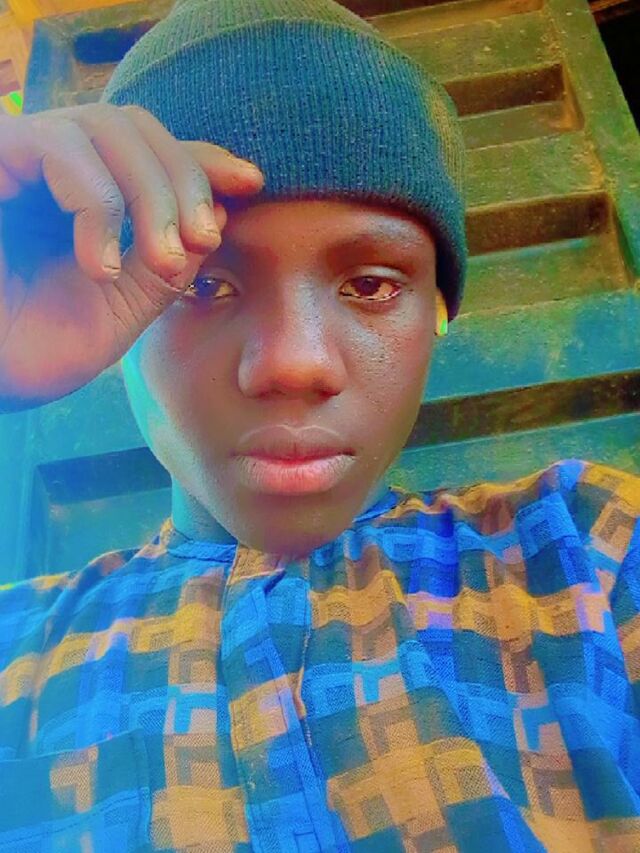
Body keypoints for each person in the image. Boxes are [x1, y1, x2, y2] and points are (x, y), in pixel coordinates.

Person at [0, 0, 638, 850]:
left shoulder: (593, 556)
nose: (293, 362)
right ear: (114, 322)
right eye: (201, 284)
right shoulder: (18, 656)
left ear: (437, 314)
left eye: (371, 283)